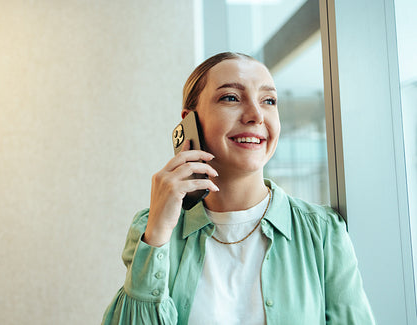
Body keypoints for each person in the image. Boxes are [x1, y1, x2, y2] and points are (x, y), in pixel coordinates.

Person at [102, 52, 375, 325]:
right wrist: (158, 234)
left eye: (269, 101)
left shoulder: (322, 231)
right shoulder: (151, 230)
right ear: (189, 122)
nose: (256, 115)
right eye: (231, 97)